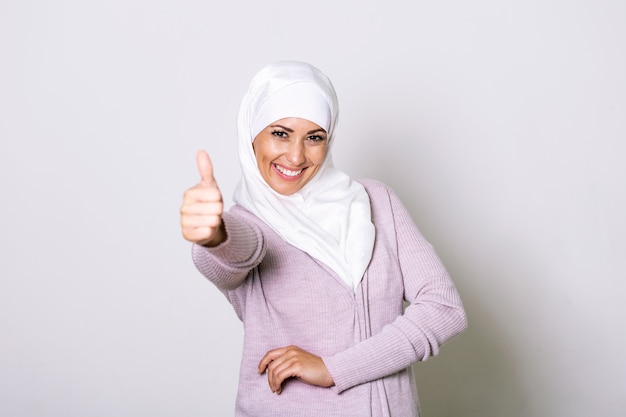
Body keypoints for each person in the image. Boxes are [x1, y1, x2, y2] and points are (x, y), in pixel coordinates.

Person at [180, 61, 467, 417]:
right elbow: (238, 253)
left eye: (314, 137)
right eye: (280, 133)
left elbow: (444, 310)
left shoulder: (376, 202)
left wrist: (335, 368)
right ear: (251, 134)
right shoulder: (246, 224)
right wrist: (214, 234)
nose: (296, 156)